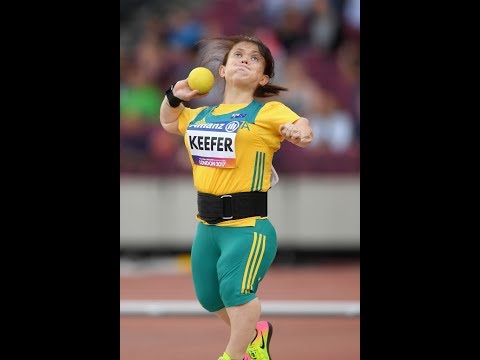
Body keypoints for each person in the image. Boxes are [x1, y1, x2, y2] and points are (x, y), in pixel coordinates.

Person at [159, 35, 313, 360]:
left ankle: (233, 355)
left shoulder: (267, 111)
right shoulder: (201, 116)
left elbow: (300, 124)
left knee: (236, 292)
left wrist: (299, 131)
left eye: (254, 59)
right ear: (224, 70)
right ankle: (255, 335)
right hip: (207, 227)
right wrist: (174, 95)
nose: (244, 60)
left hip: (247, 228)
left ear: (264, 77)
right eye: (237, 55)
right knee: (209, 298)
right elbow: (169, 121)